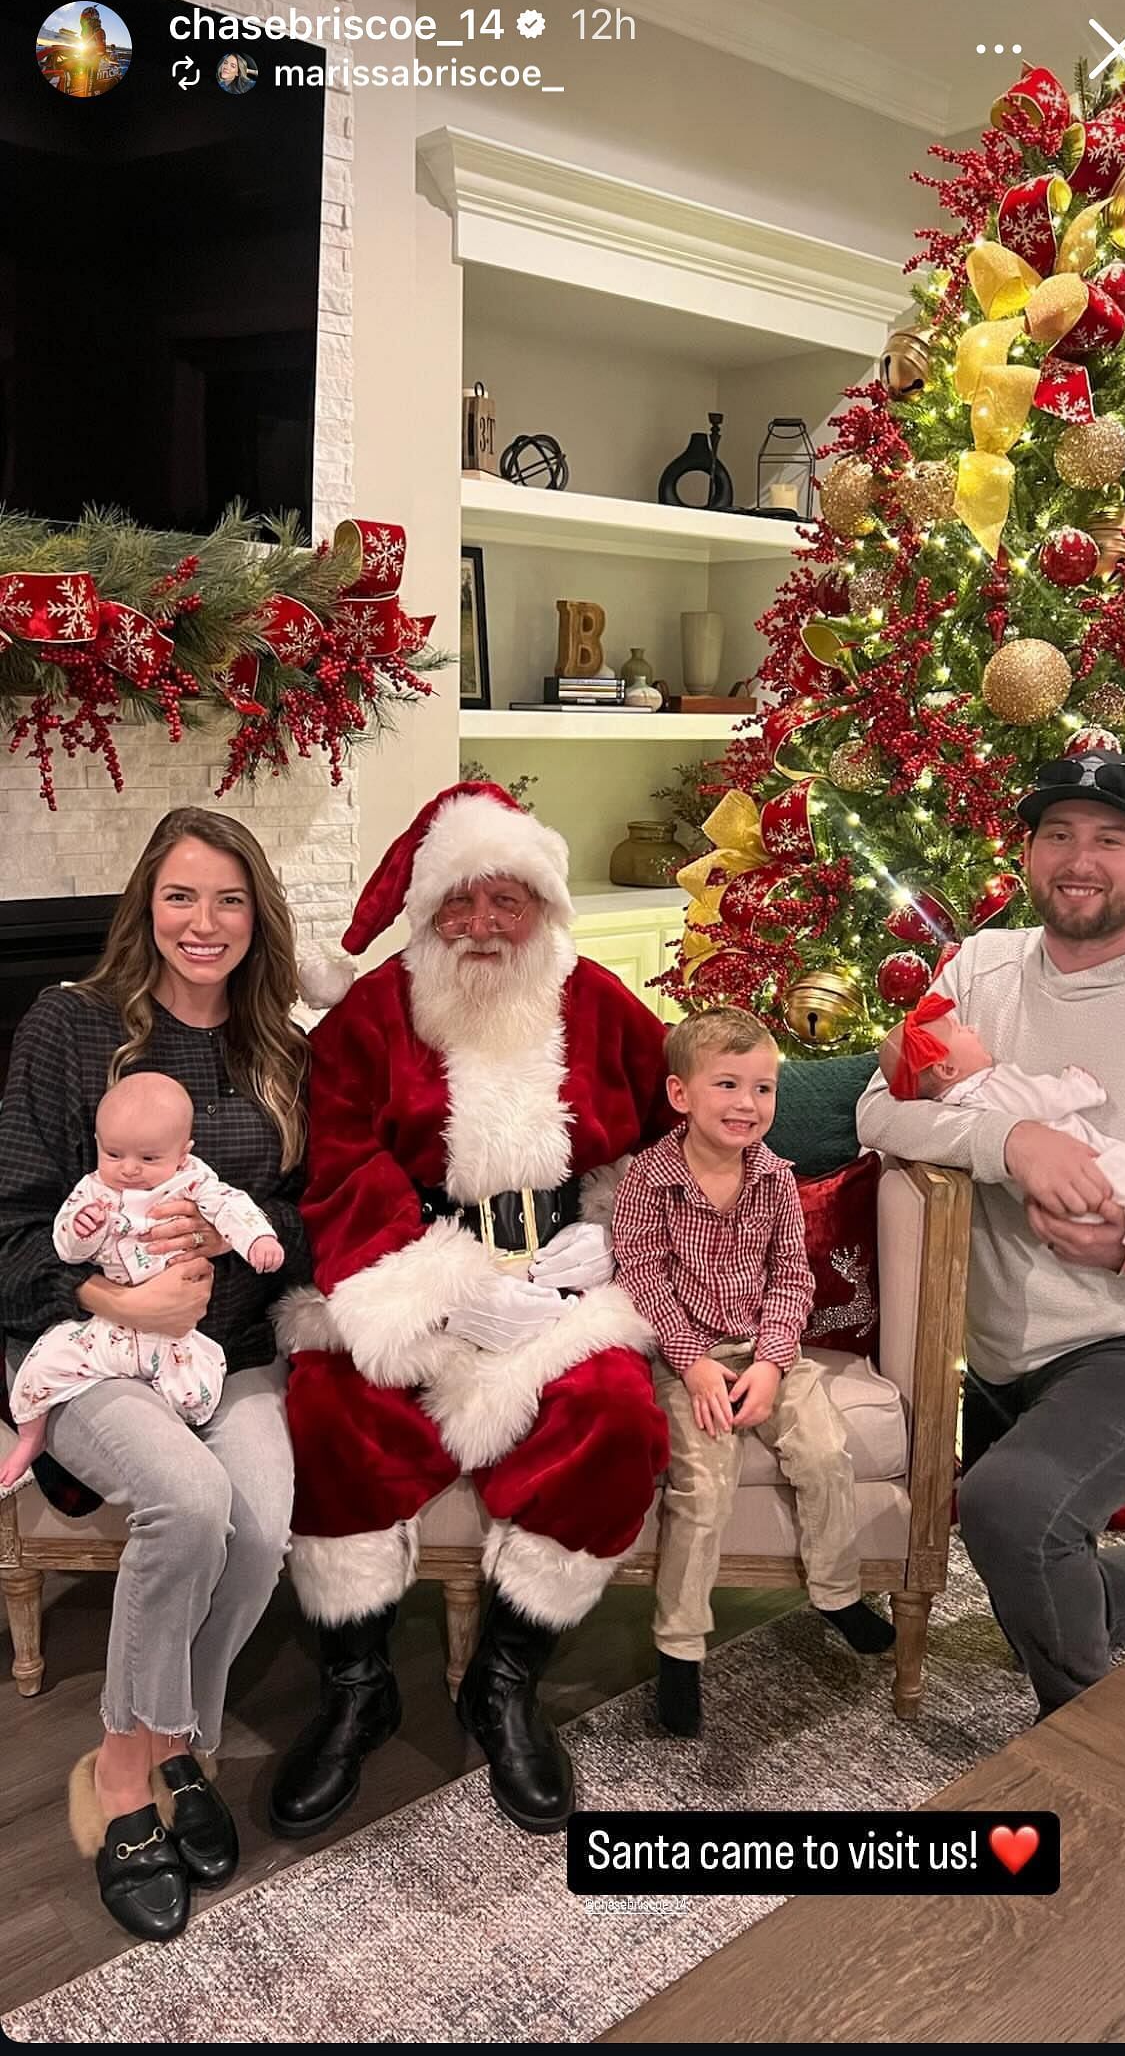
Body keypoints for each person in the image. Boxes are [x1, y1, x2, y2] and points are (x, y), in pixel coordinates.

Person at [268, 781, 672, 1840]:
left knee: (618, 1418)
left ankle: (505, 1680)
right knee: (326, 1410)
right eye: (463, 903)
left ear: (544, 911)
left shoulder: (599, 1001)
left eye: (511, 903)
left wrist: (617, 1231)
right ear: (427, 909)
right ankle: (357, 1685)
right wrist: (439, 1291)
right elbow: (345, 1167)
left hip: (567, 1283)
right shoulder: (368, 1016)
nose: (485, 927)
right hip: (413, 1265)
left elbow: (689, 1117)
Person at [0, 808, 309, 1943]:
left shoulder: (279, 1046)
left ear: (256, 918)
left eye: (230, 899)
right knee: (189, 1503)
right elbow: (11, 1224)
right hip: (92, 1350)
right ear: (146, 904)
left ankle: (156, 1740)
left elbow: (303, 1222)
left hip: (232, 1355)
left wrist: (238, 1237)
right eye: (182, 896)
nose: (204, 922)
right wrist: (112, 1297)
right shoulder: (69, 1029)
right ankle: (135, 1780)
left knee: (263, 1528)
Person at [857, 750, 1125, 1717]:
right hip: (1000, 1351)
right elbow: (881, 1108)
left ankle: (1090, 1748)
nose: (1080, 859)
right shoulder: (977, 967)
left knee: (1008, 1512)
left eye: (1109, 839)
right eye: (1058, 835)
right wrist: (1013, 1139)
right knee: (1037, 1568)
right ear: (1028, 853)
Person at [612, 1006, 895, 1737]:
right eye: (728, 1085)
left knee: (822, 1453)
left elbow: (791, 1280)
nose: (748, 1104)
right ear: (681, 1095)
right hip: (690, 1358)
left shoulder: (772, 1179)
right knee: (700, 1491)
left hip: (770, 1351)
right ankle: (679, 1650)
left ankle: (835, 1593)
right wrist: (693, 1367)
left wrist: (771, 1362)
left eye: (763, 1088)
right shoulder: (649, 1180)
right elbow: (642, 1280)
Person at [0, 1073, 285, 1489]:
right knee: (44, 1364)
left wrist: (256, 1237)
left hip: (174, 1331)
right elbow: (66, 1249)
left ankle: (174, 1432)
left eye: (149, 1159)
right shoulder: (93, 1190)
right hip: (106, 1323)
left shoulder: (192, 1180)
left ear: (183, 1154)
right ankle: (31, 1436)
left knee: (194, 1390)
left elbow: (231, 1206)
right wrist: (83, 1229)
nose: (129, 1169)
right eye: (113, 1153)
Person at [878, 997, 1125, 1304]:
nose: (971, 1028)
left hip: (1057, 1205)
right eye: (960, 1030)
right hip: (1086, 1169)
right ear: (946, 1067)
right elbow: (1046, 1099)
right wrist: (1080, 1088)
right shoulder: (991, 1086)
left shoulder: (951, 1107)